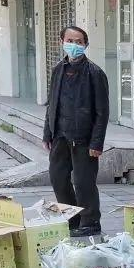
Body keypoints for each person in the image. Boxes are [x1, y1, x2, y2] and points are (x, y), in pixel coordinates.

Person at [42, 26, 109, 238]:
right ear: (61, 41)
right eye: (70, 40)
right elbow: (51, 104)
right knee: (58, 178)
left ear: (86, 45)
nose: (74, 45)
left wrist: (96, 143)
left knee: (83, 182)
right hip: (60, 135)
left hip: (83, 138)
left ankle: (91, 222)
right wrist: (47, 132)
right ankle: (72, 218)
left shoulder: (95, 73)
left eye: (79, 42)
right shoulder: (57, 70)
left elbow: (102, 112)